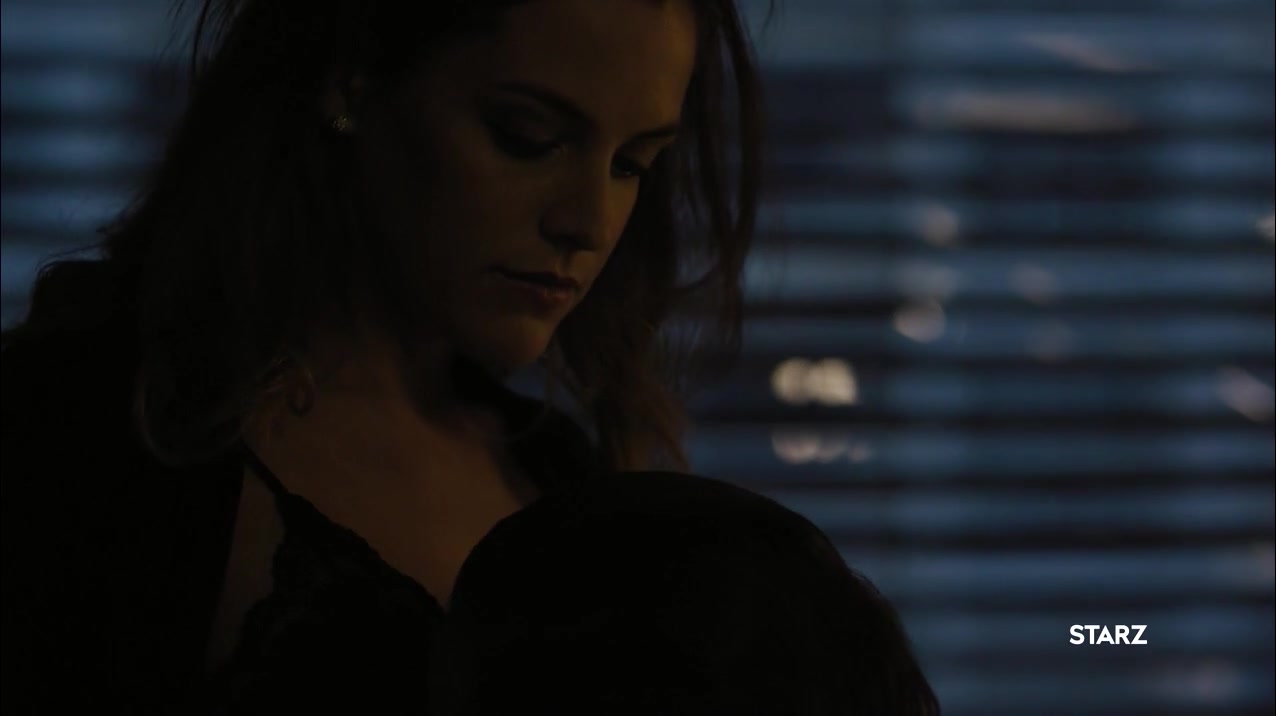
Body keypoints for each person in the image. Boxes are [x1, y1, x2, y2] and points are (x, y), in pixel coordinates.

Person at [0, 0, 940, 713]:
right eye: (528, 137)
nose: (588, 221)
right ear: (353, 76)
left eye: (632, 164)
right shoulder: (89, 433)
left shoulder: (561, 475)